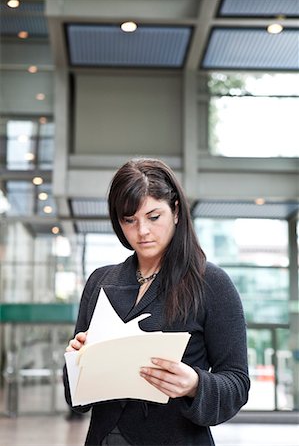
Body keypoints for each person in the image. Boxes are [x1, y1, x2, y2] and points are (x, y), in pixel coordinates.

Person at [63, 157, 250, 446]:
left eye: (153, 217)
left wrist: (195, 385)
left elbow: (237, 383)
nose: (142, 232)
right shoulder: (101, 282)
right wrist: (76, 362)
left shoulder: (211, 283)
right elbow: (75, 397)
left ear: (175, 211)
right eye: (129, 220)